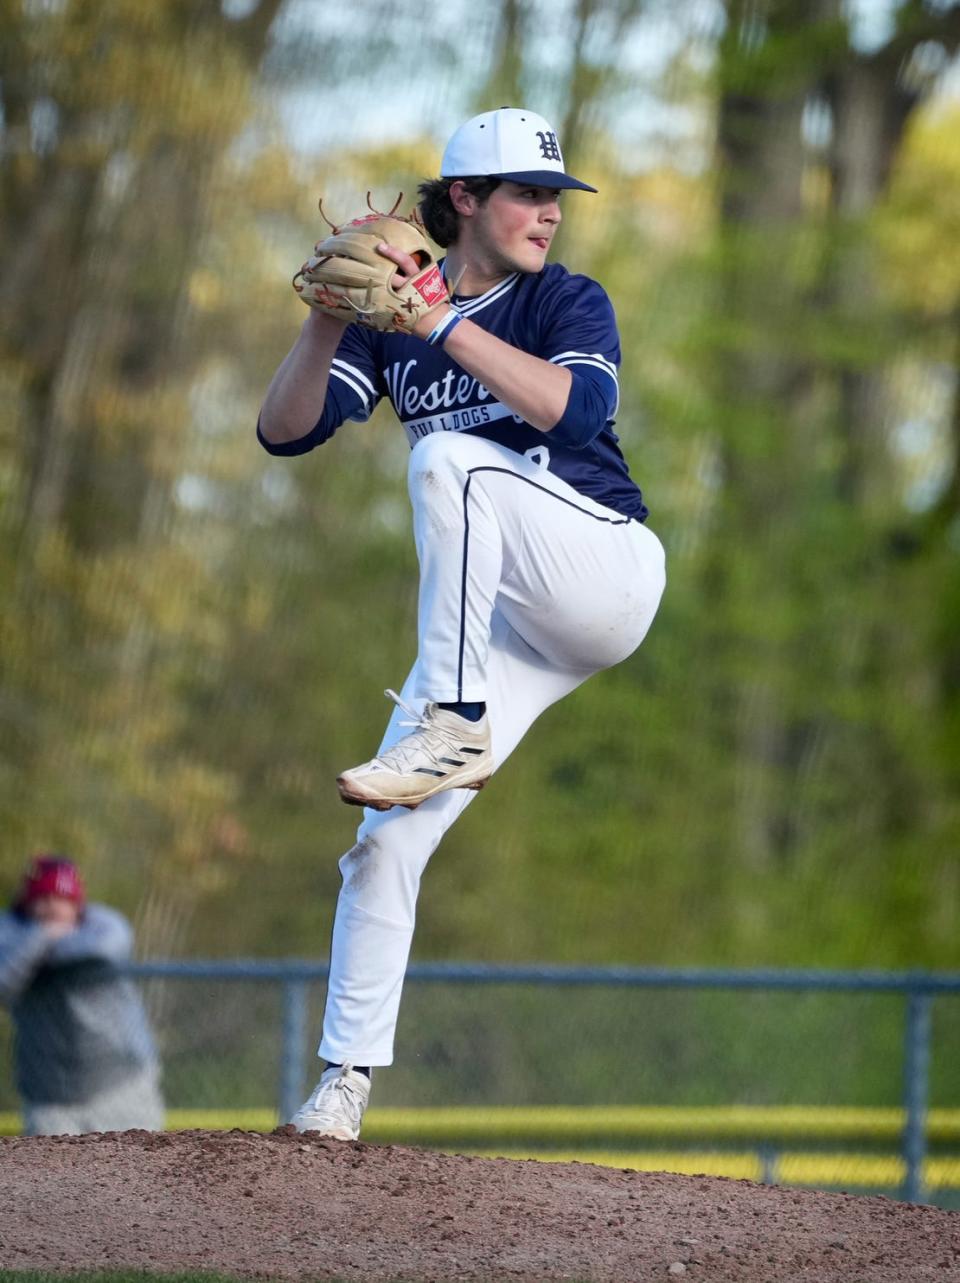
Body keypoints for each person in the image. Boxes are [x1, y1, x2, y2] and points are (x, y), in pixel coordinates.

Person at [258, 107, 666, 1139]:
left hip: (603, 571)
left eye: (556, 197)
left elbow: (572, 415)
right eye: (528, 192)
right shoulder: (390, 317)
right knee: (385, 840)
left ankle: (453, 720)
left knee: (447, 461)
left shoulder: (564, 298)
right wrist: (324, 313)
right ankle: (341, 1088)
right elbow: (282, 432)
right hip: (504, 623)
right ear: (466, 200)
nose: (548, 213)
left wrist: (441, 323)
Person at [0, 854, 164, 1135]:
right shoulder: (11, 931)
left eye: (62, 900)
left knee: (135, 1175)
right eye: (43, 898)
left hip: (119, 1085)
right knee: (52, 1179)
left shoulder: (103, 924)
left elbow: (104, 946)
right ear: (27, 903)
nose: (53, 908)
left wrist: (33, 954)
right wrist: (42, 937)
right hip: (49, 1099)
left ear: (77, 904)